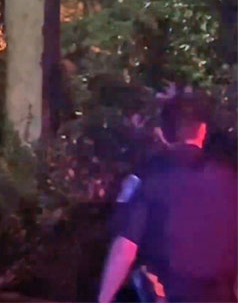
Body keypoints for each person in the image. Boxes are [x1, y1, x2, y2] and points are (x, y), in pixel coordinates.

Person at [98, 92, 237, 302]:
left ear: (163, 132)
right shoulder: (230, 180)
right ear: (203, 129)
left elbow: (124, 248)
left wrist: (103, 299)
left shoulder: (148, 177)